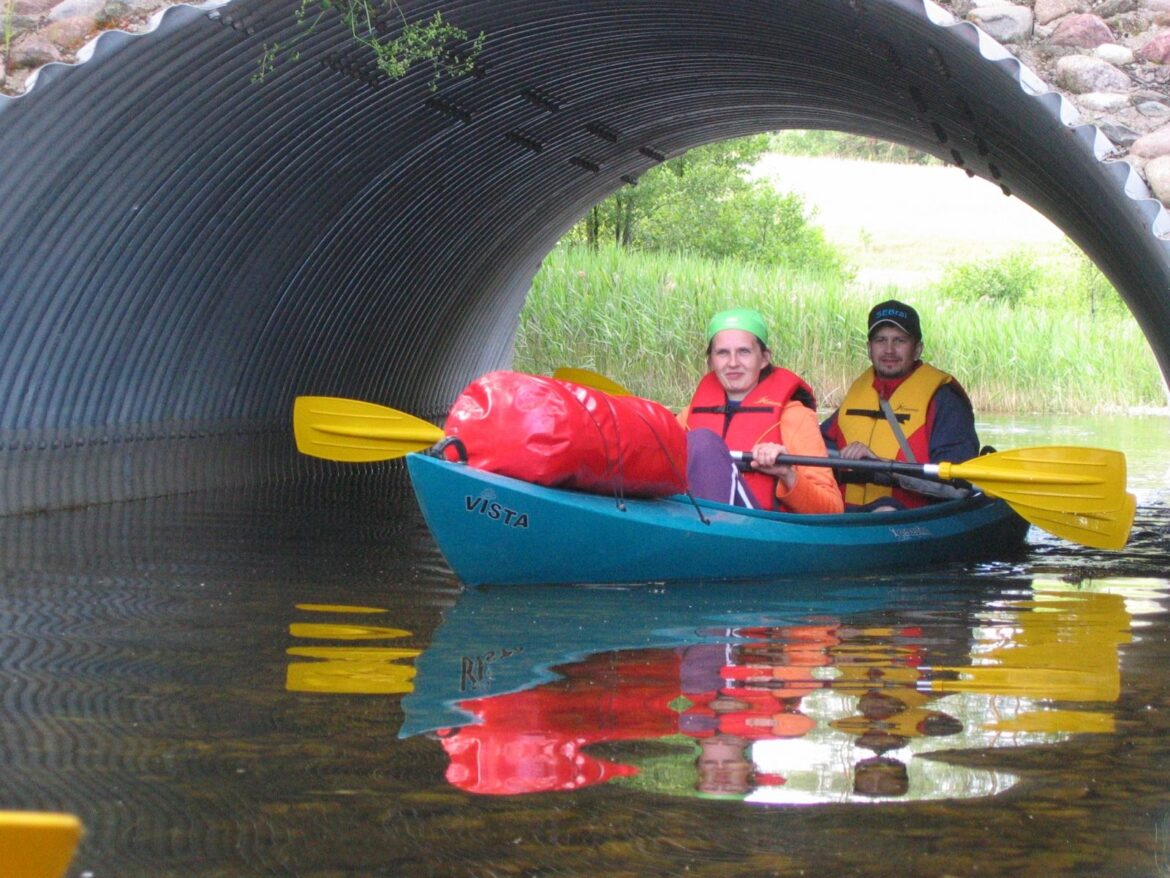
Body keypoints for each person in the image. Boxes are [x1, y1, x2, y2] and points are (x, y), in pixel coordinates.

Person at [679, 308, 843, 514]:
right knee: (700, 442)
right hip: (696, 524)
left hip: (762, 530)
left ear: (764, 358)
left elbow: (833, 510)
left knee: (702, 441)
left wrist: (787, 474)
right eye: (722, 353)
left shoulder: (795, 417)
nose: (733, 363)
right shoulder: (686, 417)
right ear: (711, 361)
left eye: (744, 352)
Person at [821, 299, 979, 510]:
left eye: (900, 341)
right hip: (845, 514)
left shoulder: (944, 400)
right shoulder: (860, 391)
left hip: (911, 516)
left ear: (917, 349)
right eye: (880, 340)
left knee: (886, 509)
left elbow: (958, 485)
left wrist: (880, 465)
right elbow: (818, 444)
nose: (889, 350)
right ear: (869, 348)